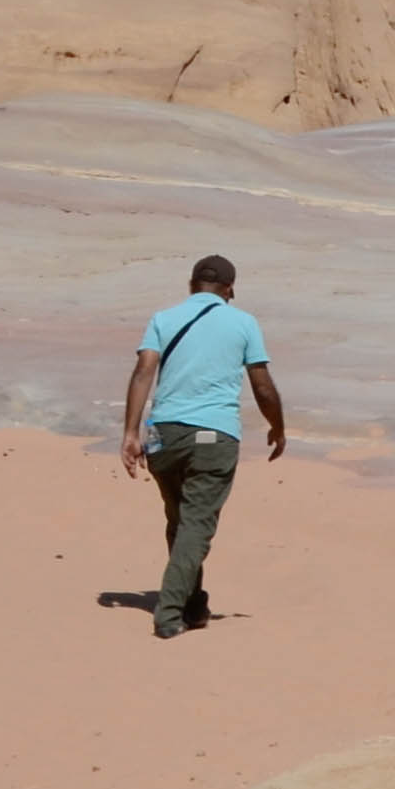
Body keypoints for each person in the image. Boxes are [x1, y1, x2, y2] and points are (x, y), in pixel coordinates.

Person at [118, 253, 284, 639]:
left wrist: (130, 432)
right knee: (196, 525)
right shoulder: (244, 323)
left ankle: (194, 605)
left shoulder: (163, 318)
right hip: (214, 436)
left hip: (164, 435)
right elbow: (260, 382)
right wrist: (277, 426)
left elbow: (144, 371)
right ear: (230, 290)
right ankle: (170, 612)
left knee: (179, 521)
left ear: (191, 285)